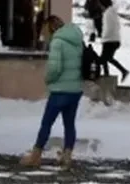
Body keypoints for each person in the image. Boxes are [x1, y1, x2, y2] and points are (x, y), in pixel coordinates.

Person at [19, 16, 85, 169]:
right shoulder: (77, 40)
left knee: (46, 124)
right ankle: (67, 156)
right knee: (69, 124)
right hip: (75, 90)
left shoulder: (58, 42)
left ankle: (35, 156)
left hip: (59, 91)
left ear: (51, 28)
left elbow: (55, 68)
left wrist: (48, 79)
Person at [99, 1, 129, 80]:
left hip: (109, 40)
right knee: (107, 58)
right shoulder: (113, 13)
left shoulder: (107, 14)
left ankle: (108, 75)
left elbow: (108, 28)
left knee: (103, 59)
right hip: (115, 40)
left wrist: (103, 36)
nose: (100, 8)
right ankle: (117, 72)